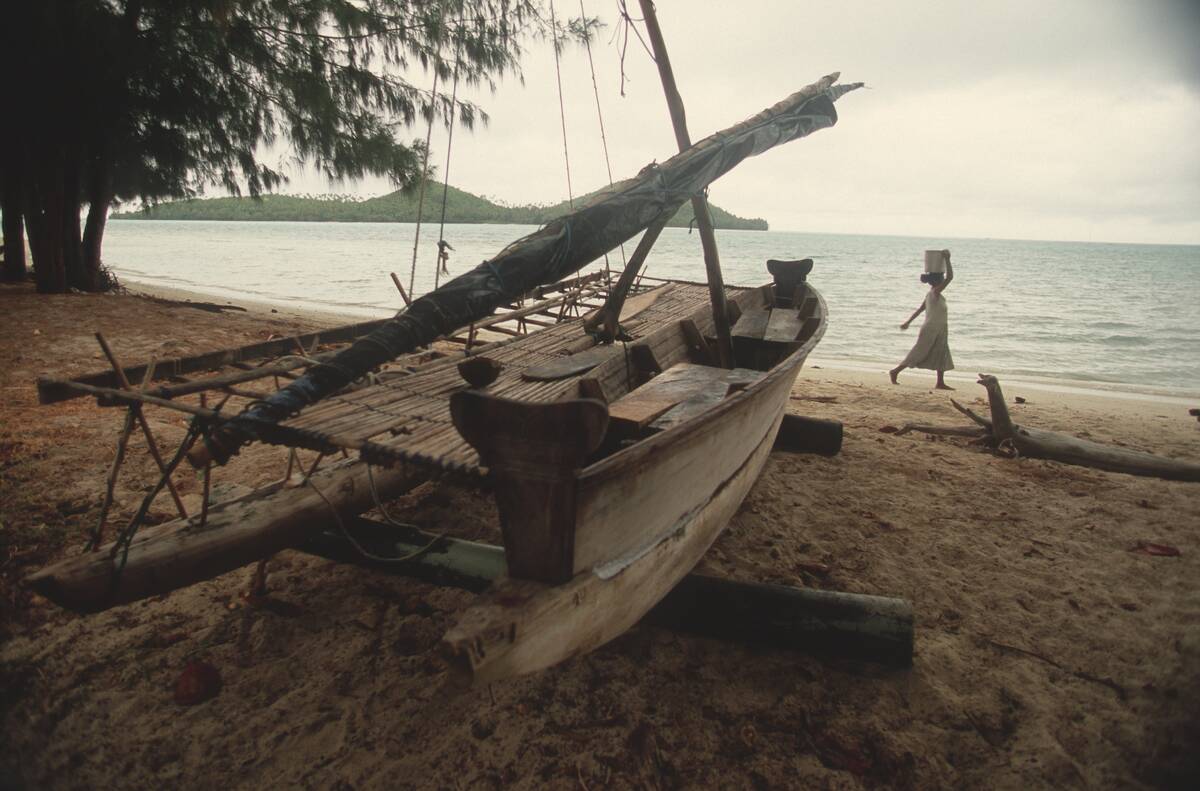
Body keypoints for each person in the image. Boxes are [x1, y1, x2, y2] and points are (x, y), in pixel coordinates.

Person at [890, 250, 955, 389]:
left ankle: (940, 382)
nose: (943, 280)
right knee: (919, 351)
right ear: (938, 281)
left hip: (940, 328)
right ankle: (895, 371)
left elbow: (920, 310)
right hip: (931, 328)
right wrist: (947, 259)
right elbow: (950, 277)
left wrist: (908, 322)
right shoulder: (935, 292)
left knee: (941, 352)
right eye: (941, 278)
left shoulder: (931, 294)